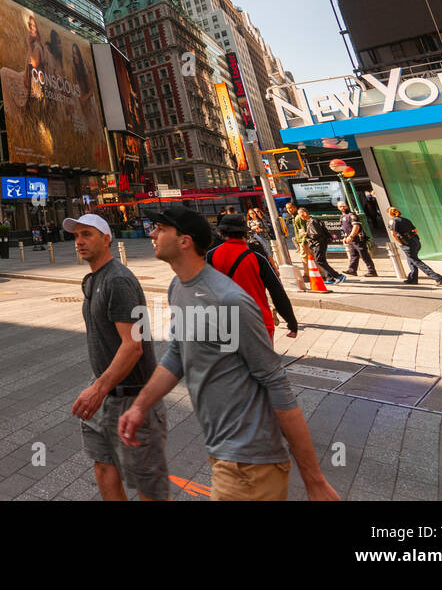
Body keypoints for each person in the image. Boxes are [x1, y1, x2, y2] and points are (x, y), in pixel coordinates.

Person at [119, 206, 339, 501]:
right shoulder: (178, 288)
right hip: (223, 454)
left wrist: (315, 482)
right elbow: (176, 353)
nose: (152, 233)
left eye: (160, 228)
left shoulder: (229, 300)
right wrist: (139, 406)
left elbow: (276, 383)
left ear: (184, 240)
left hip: (251, 463)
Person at [65, 214, 169, 501]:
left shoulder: (118, 280)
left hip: (132, 398)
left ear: (106, 239)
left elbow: (133, 346)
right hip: (105, 393)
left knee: (149, 487)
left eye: (87, 234)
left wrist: (97, 390)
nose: (79, 241)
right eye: (76, 236)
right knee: (103, 468)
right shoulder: (96, 278)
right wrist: (99, 388)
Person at [207, 214, 299, 340]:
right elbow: (277, 291)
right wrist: (291, 321)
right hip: (258, 321)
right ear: (244, 233)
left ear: (222, 233)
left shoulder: (211, 256)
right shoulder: (257, 257)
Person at [388, 207, 442, 285]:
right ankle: (413, 279)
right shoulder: (406, 220)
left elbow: (393, 234)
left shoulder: (393, 221)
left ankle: (437, 277)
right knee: (411, 260)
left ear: (390, 214)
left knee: (416, 261)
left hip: (407, 243)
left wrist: (401, 243)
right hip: (415, 241)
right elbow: (415, 230)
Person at [299, 207, 345, 284]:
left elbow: (316, 234)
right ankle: (329, 278)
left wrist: (306, 234)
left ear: (305, 213)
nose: (300, 216)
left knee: (319, 261)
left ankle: (338, 276)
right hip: (319, 243)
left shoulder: (312, 221)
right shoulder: (310, 221)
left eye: (300, 214)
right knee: (322, 261)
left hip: (319, 243)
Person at [338, 203, 377, 277]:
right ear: (338, 208)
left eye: (344, 206)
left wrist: (351, 236)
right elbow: (345, 229)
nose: (343, 207)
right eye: (340, 206)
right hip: (350, 239)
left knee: (364, 255)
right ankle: (352, 270)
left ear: (347, 206)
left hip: (358, 239)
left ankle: (372, 271)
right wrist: (345, 237)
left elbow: (356, 226)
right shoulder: (342, 216)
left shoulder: (352, 215)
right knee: (353, 255)